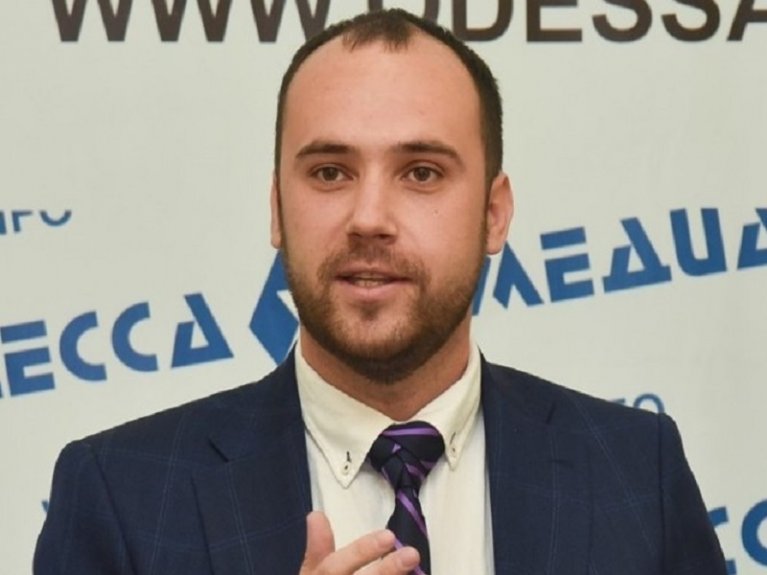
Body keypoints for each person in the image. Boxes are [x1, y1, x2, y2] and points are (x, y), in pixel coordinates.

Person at [34, 9, 727, 575]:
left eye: (421, 172)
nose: (369, 218)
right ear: (277, 210)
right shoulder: (122, 495)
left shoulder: (634, 472)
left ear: (493, 214)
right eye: (330, 172)